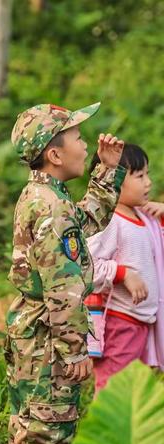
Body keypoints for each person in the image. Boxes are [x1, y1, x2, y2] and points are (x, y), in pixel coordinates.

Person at [5, 102, 126, 444]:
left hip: (34, 337)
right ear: (55, 154)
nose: (85, 144)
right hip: (49, 346)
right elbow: (64, 289)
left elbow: (87, 219)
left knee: (28, 436)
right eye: (77, 136)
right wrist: (74, 349)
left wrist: (106, 169)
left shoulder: (44, 196)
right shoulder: (52, 207)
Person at [87, 144, 164, 392]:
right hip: (120, 323)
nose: (148, 183)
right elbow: (85, 266)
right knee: (114, 388)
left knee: (136, 390)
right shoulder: (111, 223)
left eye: (147, 174)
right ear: (114, 181)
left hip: (142, 323)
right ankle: (107, 430)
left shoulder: (144, 217)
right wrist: (123, 274)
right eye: (140, 176)